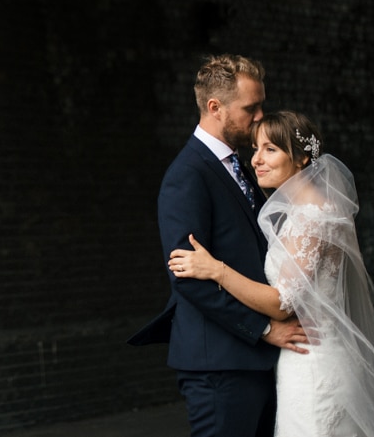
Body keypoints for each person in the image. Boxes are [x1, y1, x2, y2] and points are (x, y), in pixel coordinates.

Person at [169, 111, 374, 437]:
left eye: (270, 149)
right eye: (256, 148)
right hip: (305, 358)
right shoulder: (303, 213)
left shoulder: (313, 216)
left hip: (314, 364)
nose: (256, 159)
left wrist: (215, 269)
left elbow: (282, 303)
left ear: (302, 158)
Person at [129, 54, 306, 437]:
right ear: (215, 107)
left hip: (257, 361)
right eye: (251, 108)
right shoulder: (187, 176)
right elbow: (188, 278)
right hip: (221, 365)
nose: (260, 116)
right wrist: (264, 329)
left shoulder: (242, 165)